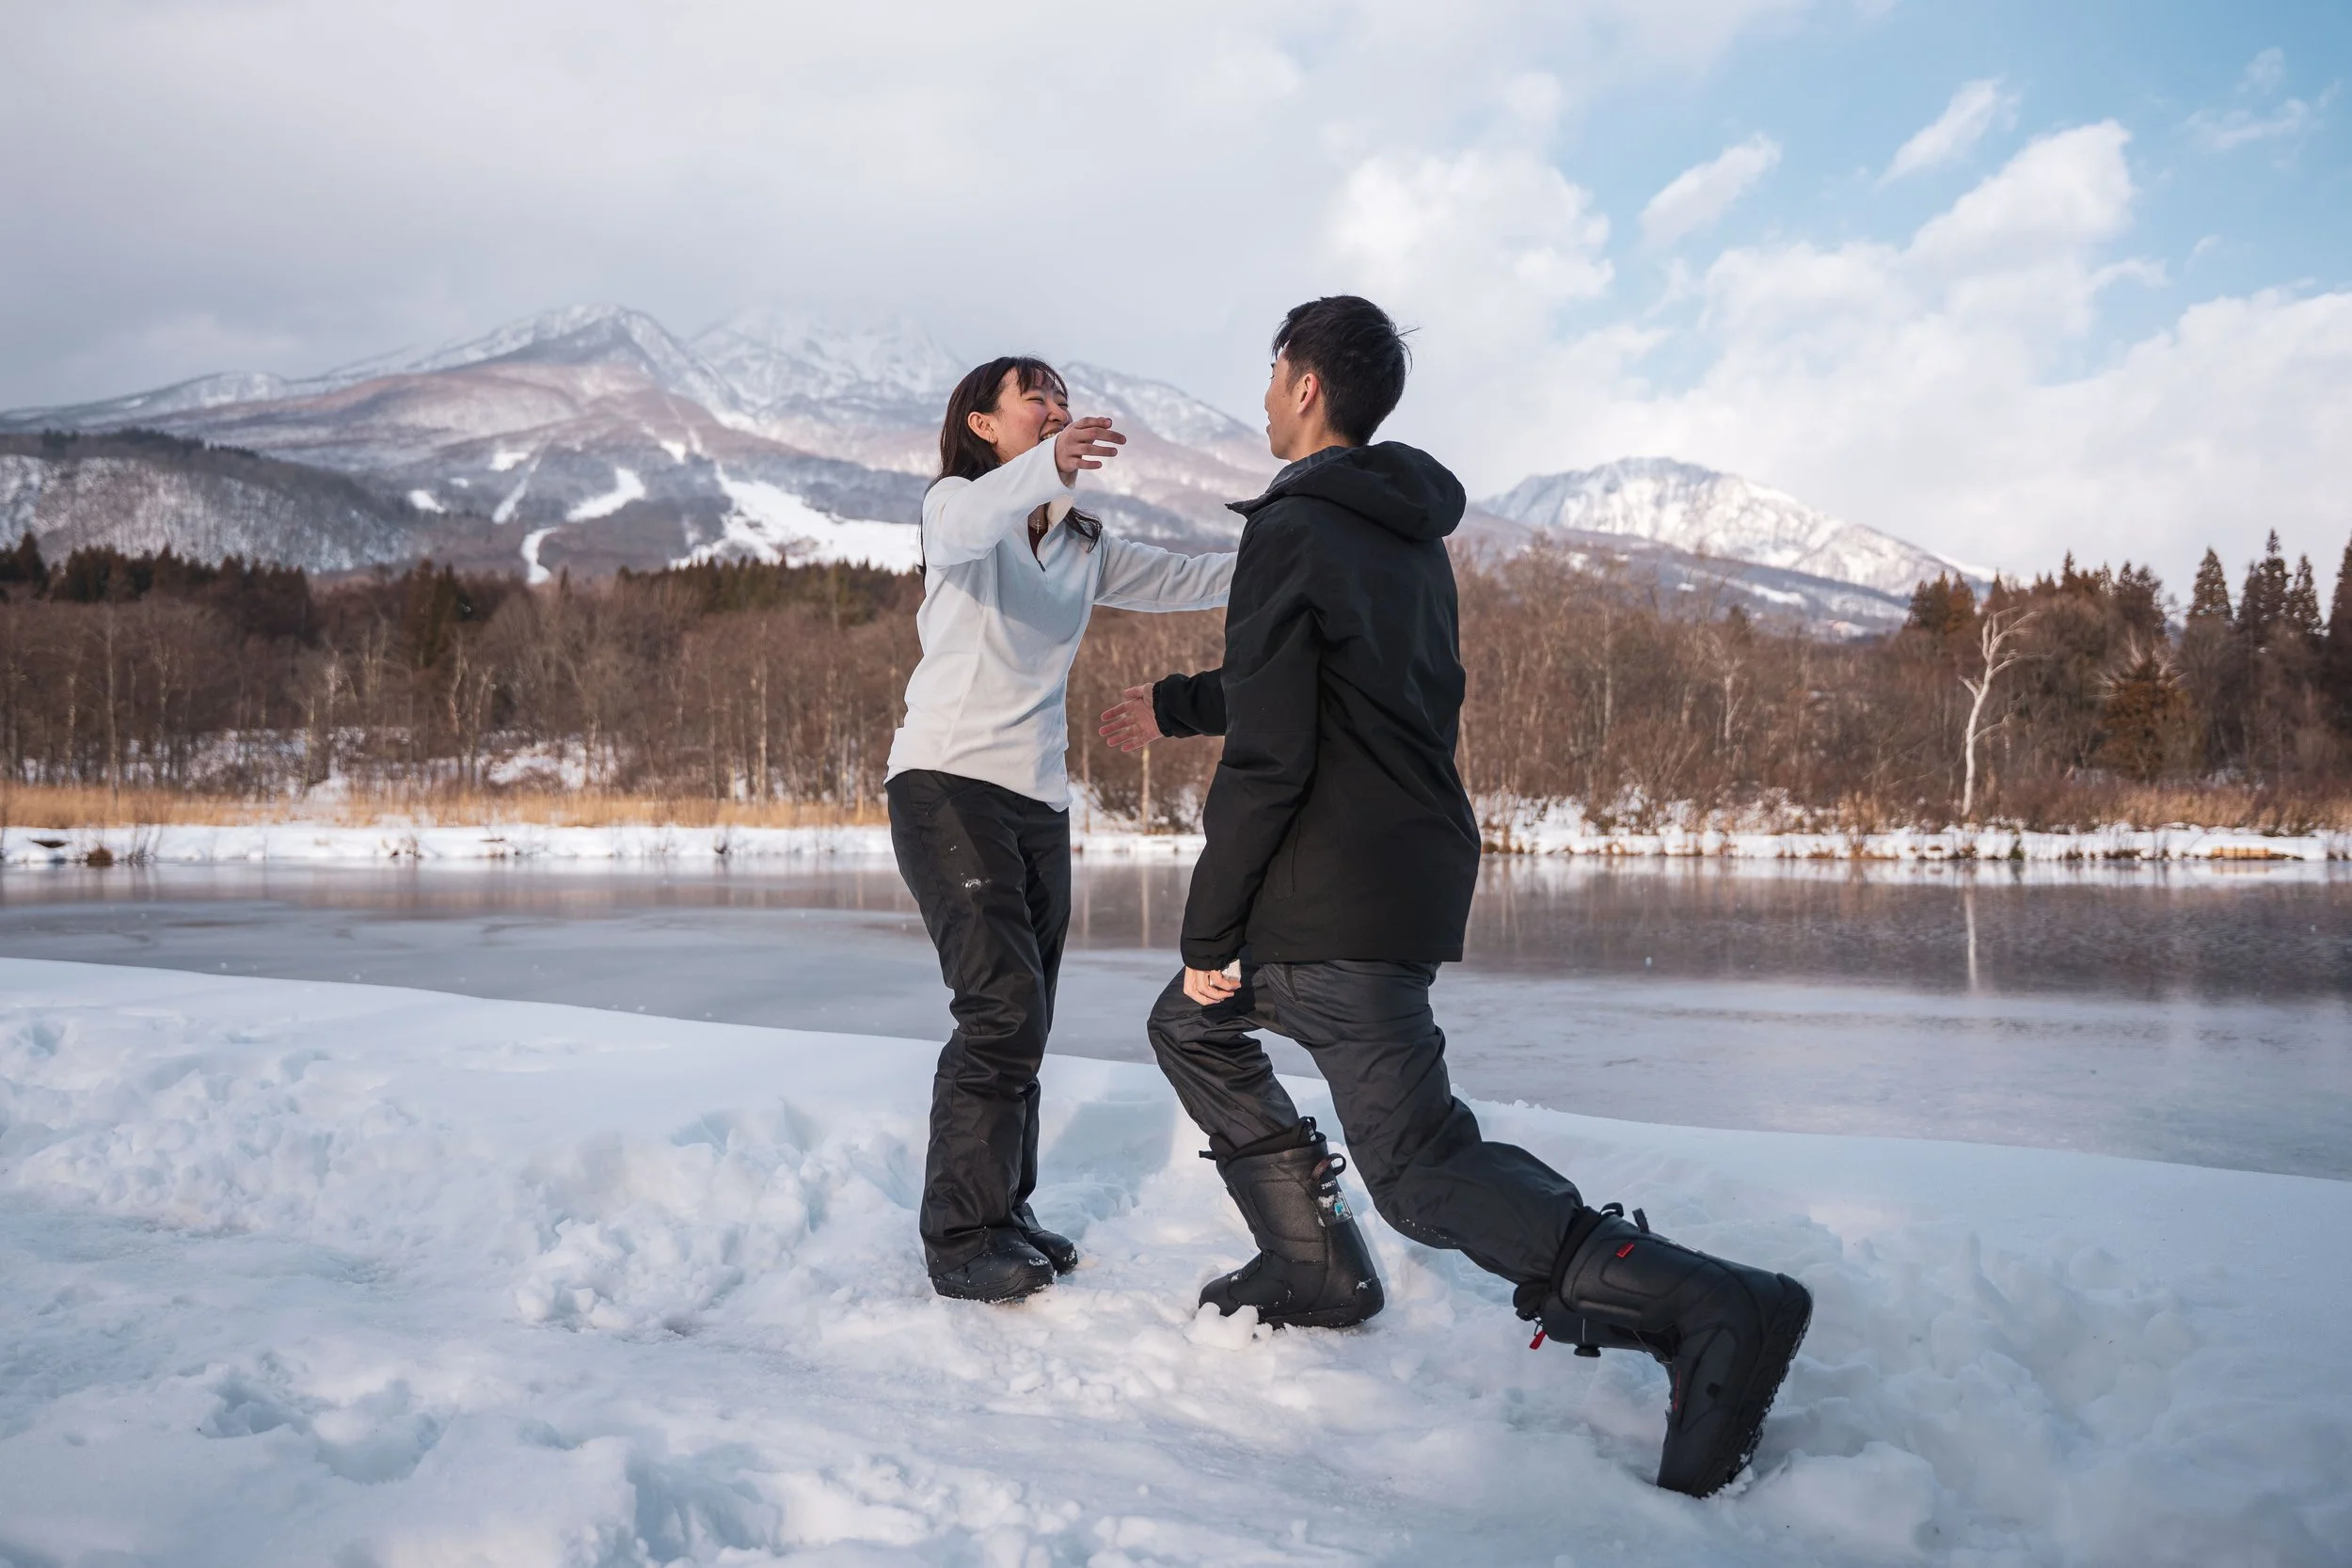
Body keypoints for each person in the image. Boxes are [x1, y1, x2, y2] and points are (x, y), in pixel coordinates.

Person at [1102, 297, 1811, 1498]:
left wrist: (1209, 927)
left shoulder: (1291, 526)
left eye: (1273, 374)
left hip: (1334, 887)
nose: (1264, 395)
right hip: (1404, 863)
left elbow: (1275, 752)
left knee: (1421, 1167)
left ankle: (1712, 1307)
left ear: (1306, 385)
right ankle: (1313, 1264)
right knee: (1189, 1022)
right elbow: (1337, 687)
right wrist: (1179, 703)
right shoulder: (1401, 530)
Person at [887, 356, 1234, 1305]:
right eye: (1034, 398)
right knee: (997, 1007)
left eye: (1065, 399)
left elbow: (1191, 576)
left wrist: (1302, 552)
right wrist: (1046, 465)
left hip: (1037, 801)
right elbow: (971, 518)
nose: (1057, 409)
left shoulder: (1080, 543)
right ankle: (959, 1235)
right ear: (983, 425)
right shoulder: (955, 512)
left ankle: (1002, 1211)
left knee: (1026, 1014)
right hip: (945, 784)